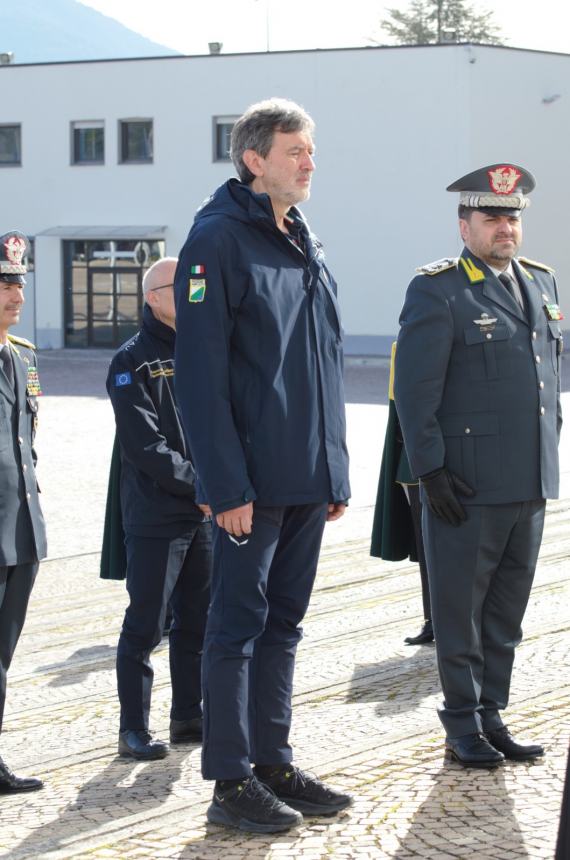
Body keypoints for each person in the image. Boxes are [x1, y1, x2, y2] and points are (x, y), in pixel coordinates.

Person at [174, 98, 353, 833]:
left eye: (311, 150)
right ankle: (228, 780)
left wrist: (333, 471)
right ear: (254, 159)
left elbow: (322, 364)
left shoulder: (301, 239)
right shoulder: (216, 242)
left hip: (305, 480)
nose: (310, 162)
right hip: (250, 485)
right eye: (296, 151)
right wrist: (224, 487)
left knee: (284, 627)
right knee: (236, 628)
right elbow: (200, 379)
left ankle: (273, 760)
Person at [394, 164, 563, 768]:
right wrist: (430, 469)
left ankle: (493, 713)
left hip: (529, 481)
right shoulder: (438, 289)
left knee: (506, 612)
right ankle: (460, 723)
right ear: (464, 224)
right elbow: (415, 392)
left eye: (512, 216)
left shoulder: (542, 283)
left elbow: (545, 385)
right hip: (464, 485)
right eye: (491, 216)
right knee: (459, 610)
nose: (505, 227)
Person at [106, 257, 212, 761]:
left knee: (198, 620)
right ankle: (134, 728)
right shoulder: (131, 360)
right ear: (152, 296)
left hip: (205, 512)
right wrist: (203, 485)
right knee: (146, 624)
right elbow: (144, 446)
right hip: (156, 515)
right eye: (183, 286)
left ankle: (188, 716)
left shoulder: (205, 347)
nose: (195, 292)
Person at [0, 231, 47, 793]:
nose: (15, 294)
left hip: (21, 531)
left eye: (18, 282)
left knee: (3, 658)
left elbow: (25, 443)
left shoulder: (23, 358)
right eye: (4, 283)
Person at [370, 343, 433, 645]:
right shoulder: (406, 340)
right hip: (418, 461)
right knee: (428, 548)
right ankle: (433, 618)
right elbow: (399, 409)